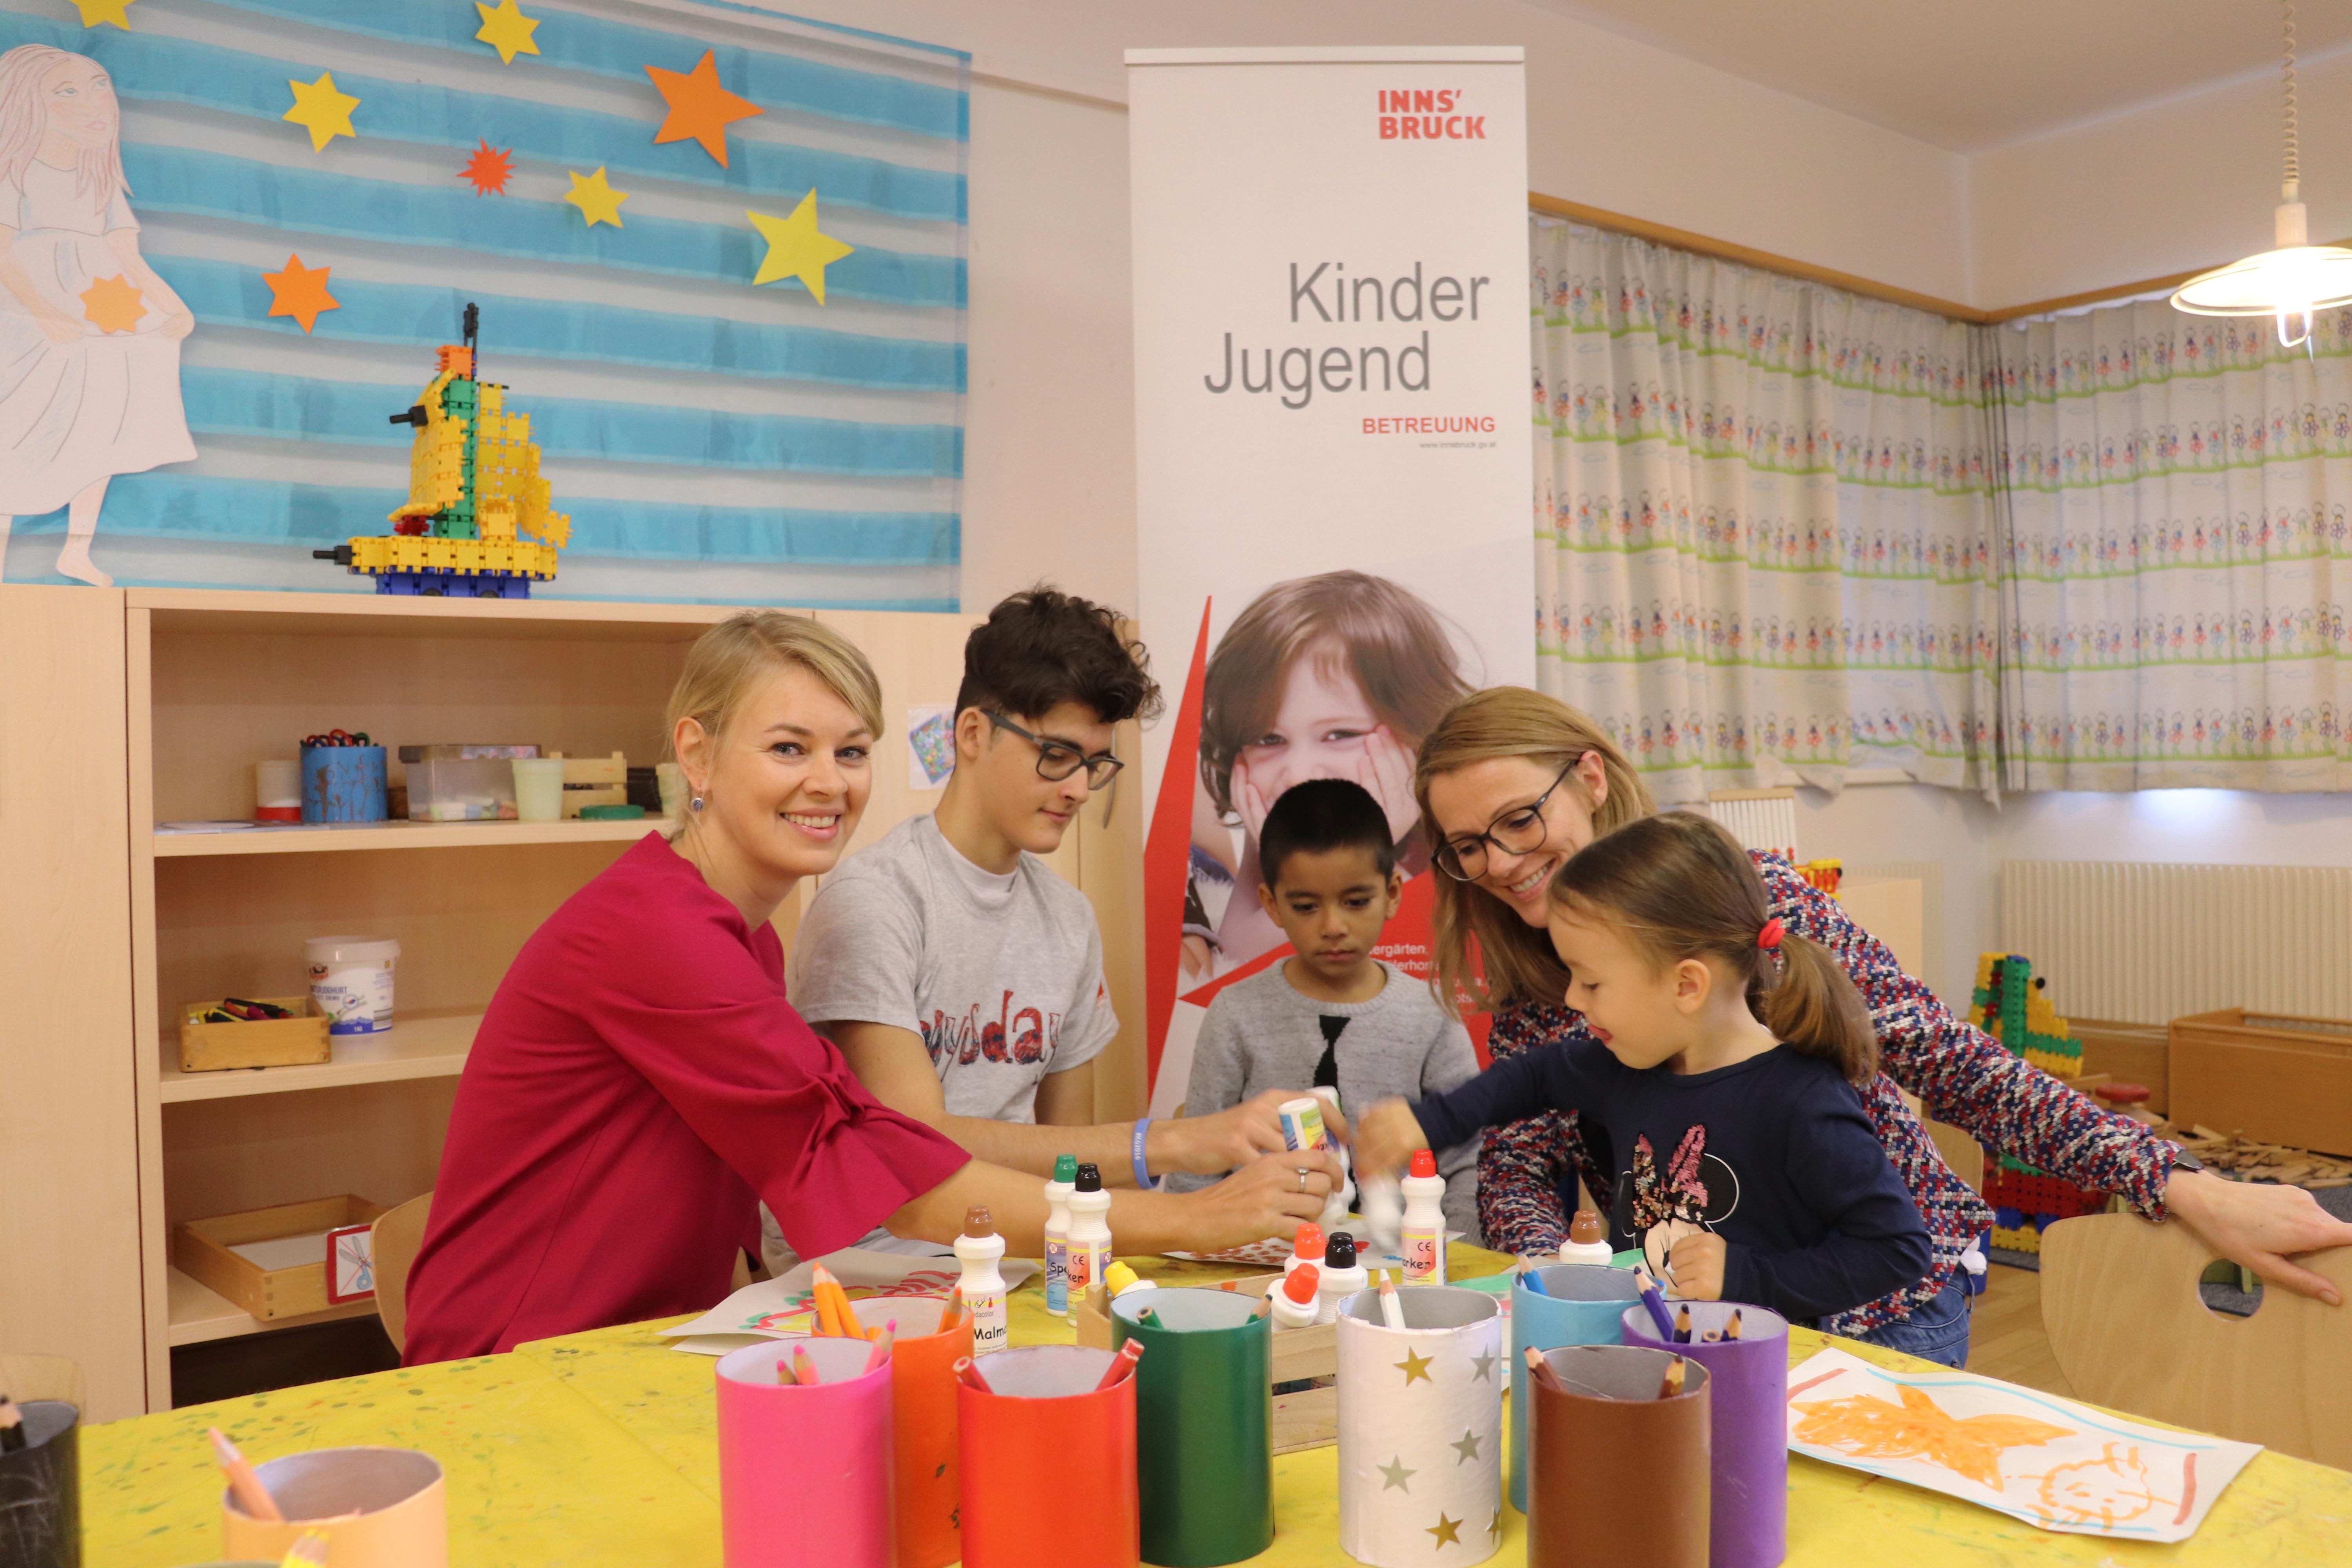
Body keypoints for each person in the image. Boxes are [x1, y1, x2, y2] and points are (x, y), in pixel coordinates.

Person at [402, 612, 1338, 1362]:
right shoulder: (661, 931)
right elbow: (874, 1161)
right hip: (517, 1359)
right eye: (787, 748)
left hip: (655, 1336)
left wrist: (1177, 1166)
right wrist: (1192, 1213)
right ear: (695, 755)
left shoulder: (745, 935)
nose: (829, 782)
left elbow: (868, 1138)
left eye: (851, 753)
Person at [1412, 687, 2352, 1365]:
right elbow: (1519, 1171)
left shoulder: (1749, 900)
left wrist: (2174, 1180)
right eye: (1466, 844)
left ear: (1589, 777)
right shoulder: (1538, 986)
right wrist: (1557, 1290)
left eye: (1520, 820)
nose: (1498, 861)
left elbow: (1953, 1063)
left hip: (1877, 1309)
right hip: (1705, 1317)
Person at [774, 588, 1331, 1272]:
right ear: (973, 734)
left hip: (1027, 1255)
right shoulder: (874, 901)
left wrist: (1225, 1168)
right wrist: (1177, 1144)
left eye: (1095, 762)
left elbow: (1074, 1154)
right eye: (1057, 754)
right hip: (876, 1273)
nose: (1078, 788)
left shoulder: (1068, 918)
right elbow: (916, 1144)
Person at [1358, 812, 1935, 1345]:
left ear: (1687, 986)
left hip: (1757, 1377)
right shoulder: (1624, 1067)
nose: (1570, 998)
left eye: (1591, 982)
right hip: (1650, 1352)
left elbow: (1896, 1248)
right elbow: (1532, 1075)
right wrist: (1426, 1121)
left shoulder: (1803, 1101)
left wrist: (1747, 1273)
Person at [1167, 779, 1482, 1241]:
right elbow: (1197, 1160)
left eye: (1357, 902)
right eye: (1306, 906)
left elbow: (1468, 1161)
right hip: (1262, 1259)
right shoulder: (1235, 1013)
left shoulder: (1432, 1015)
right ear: (1272, 905)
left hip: (1402, 1263)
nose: (1333, 926)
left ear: (1393, 892)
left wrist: (1454, 1256)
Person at [1183, 570, 1473, 983]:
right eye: (1269, 738)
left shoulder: (1458, 820)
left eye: (1340, 734)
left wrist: (1374, 850)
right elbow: (1239, 951)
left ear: (1416, 725)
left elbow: (1433, 949)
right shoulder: (1283, 809)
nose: (1300, 772)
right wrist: (1277, 851)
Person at [0, 45, 196, 588]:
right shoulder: (17, 172)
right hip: (32, 308)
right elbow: (3, 252)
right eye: (67, 90)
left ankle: (77, 547)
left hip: (100, 302)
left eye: (99, 85)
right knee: (19, 423)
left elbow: (126, 255)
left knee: (106, 409)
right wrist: (42, 314)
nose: (92, 101)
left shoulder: (99, 181)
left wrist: (172, 308)